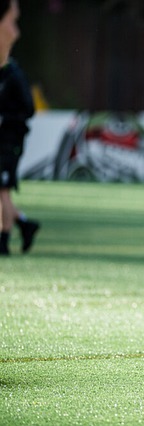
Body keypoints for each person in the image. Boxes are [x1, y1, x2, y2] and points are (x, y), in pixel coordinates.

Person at [0, 0, 39, 256]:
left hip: (9, 140)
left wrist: (5, 118)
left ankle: (3, 238)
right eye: (13, 21)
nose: (17, 32)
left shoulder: (13, 74)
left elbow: (28, 109)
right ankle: (24, 224)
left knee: (1, 188)